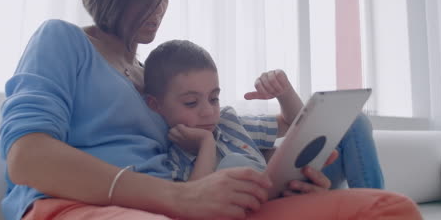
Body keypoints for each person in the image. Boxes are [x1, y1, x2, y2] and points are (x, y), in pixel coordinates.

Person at [0, 0, 422, 220]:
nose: (157, 9)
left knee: (388, 209)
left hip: (188, 205)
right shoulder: (63, 39)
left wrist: (277, 181)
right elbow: (26, 157)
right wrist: (178, 198)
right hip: (79, 205)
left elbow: (223, 143)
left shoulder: (154, 78)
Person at [143, 39, 382, 191]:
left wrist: (284, 92)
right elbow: (191, 202)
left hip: (295, 187)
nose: (208, 111)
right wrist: (206, 145)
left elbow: (292, 124)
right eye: (191, 102)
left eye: (214, 98)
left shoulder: (228, 122)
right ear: (156, 105)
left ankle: (375, 206)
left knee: (356, 121)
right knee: (235, 164)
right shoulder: (170, 157)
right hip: (263, 208)